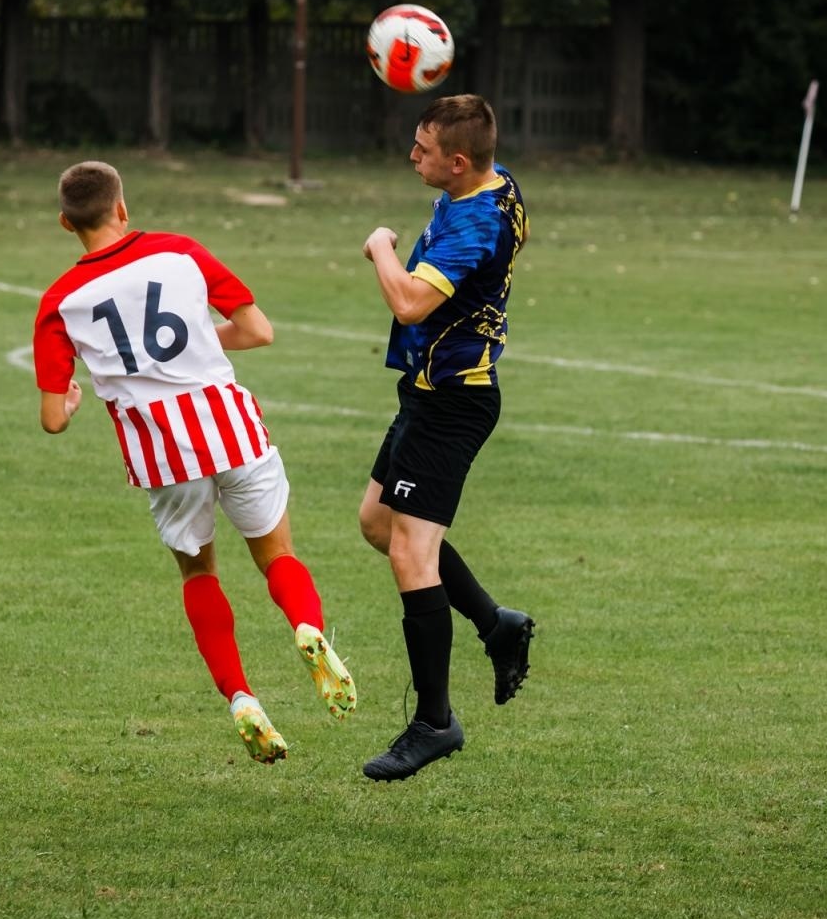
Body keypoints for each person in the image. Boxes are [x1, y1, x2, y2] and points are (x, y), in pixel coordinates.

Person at [32, 160, 355, 766]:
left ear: (65, 223)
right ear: (122, 207)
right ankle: (307, 629)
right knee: (278, 556)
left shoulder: (60, 302)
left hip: (161, 451)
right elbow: (258, 331)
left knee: (199, 574)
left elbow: (53, 418)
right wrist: (206, 339)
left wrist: (73, 400)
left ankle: (240, 698)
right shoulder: (179, 253)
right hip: (229, 426)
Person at [357, 94, 535, 782]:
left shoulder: (472, 224)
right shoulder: (497, 181)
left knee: (410, 551)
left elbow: (408, 300)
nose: (412, 155)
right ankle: (497, 625)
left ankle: (435, 722)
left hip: (455, 404)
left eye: (424, 149)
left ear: (458, 163)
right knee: (378, 524)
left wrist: (380, 248)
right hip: (427, 391)